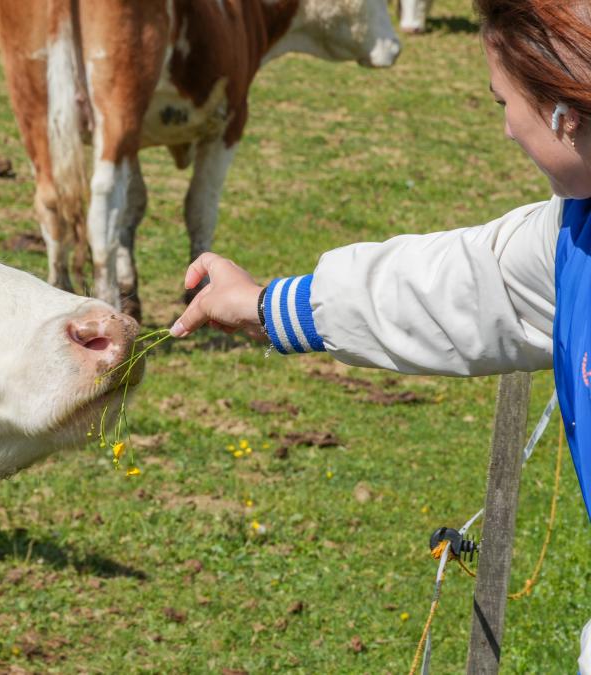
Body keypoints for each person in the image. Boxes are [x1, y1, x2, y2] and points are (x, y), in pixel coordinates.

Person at [168, 0, 591, 667]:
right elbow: (458, 283)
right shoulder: (571, 239)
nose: (508, 129)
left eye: (504, 101)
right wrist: (266, 306)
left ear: (566, 116)